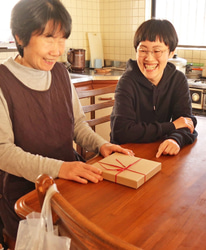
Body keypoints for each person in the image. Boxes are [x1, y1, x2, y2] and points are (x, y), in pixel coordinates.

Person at [0, 0, 133, 246]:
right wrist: (61, 168)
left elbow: (78, 125)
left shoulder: (61, 73)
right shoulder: (3, 81)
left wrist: (101, 145)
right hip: (26, 196)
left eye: (62, 39)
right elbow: (3, 152)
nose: (57, 50)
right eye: (49, 38)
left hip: (69, 184)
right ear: (20, 36)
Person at [110, 19, 198, 157]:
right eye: (143, 50)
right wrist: (172, 126)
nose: (149, 58)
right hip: (127, 155)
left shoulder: (177, 80)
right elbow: (122, 132)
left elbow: (187, 122)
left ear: (171, 52)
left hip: (159, 152)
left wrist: (175, 139)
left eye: (157, 51)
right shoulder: (127, 82)